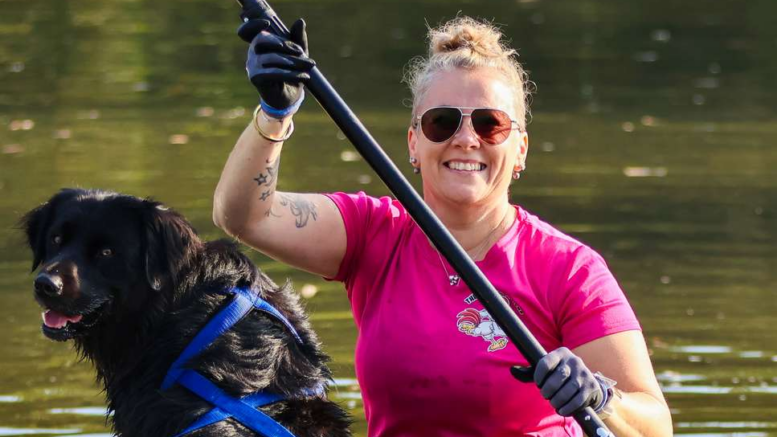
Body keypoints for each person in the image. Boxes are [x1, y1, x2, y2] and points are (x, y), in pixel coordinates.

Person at [213, 15, 672, 437]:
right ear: (414, 143)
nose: (466, 138)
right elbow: (245, 215)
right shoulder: (373, 231)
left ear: (521, 149)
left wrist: (599, 395)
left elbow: (655, 426)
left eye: (491, 124)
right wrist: (274, 115)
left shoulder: (570, 269)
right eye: (442, 122)